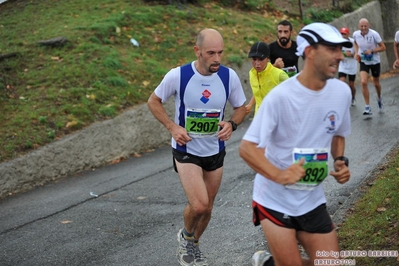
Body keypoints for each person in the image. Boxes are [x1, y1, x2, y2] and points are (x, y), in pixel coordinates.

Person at [239, 22, 352, 266]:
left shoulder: (341, 92)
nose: (340, 56)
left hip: (311, 198)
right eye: (332, 49)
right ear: (310, 52)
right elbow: (247, 148)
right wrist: (280, 175)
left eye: (340, 49)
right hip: (274, 199)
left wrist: (340, 160)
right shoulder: (280, 97)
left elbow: (338, 133)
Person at [147, 28, 246, 266]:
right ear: (197, 51)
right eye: (211, 53)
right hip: (187, 150)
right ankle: (186, 237)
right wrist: (173, 128)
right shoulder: (178, 75)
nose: (217, 58)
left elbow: (242, 108)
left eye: (220, 52)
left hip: (215, 150)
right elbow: (153, 101)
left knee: (208, 208)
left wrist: (231, 124)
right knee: (199, 204)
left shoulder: (228, 77)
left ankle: (193, 244)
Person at [245, 41, 289, 116]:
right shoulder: (252, 74)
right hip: (259, 118)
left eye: (261, 59)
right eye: (254, 59)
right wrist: (250, 105)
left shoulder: (279, 74)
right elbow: (258, 91)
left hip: (276, 119)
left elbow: (294, 93)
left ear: (268, 58)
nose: (257, 63)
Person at [353, 18, 386, 115]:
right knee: (363, 82)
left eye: (365, 26)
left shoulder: (374, 34)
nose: (363, 28)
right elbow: (355, 42)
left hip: (375, 61)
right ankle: (367, 107)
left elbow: (383, 47)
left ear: (369, 25)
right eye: (361, 26)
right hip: (363, 61)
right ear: (359, 26)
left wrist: (372, 51)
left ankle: (379, 98)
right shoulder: (356, 34)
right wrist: (356, 52)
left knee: (376, 83)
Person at [338, 27, 357, 106]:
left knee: (351, 85)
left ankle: (353, 97)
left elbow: (357, 54)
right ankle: (343, 100)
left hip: (352, 66)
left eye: (344, 33)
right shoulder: (338, 42)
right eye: (341, 33)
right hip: (343, 66)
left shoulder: (353, 42)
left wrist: (352, 54)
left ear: (348, 34)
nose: (343, 35)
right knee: (341, 82)